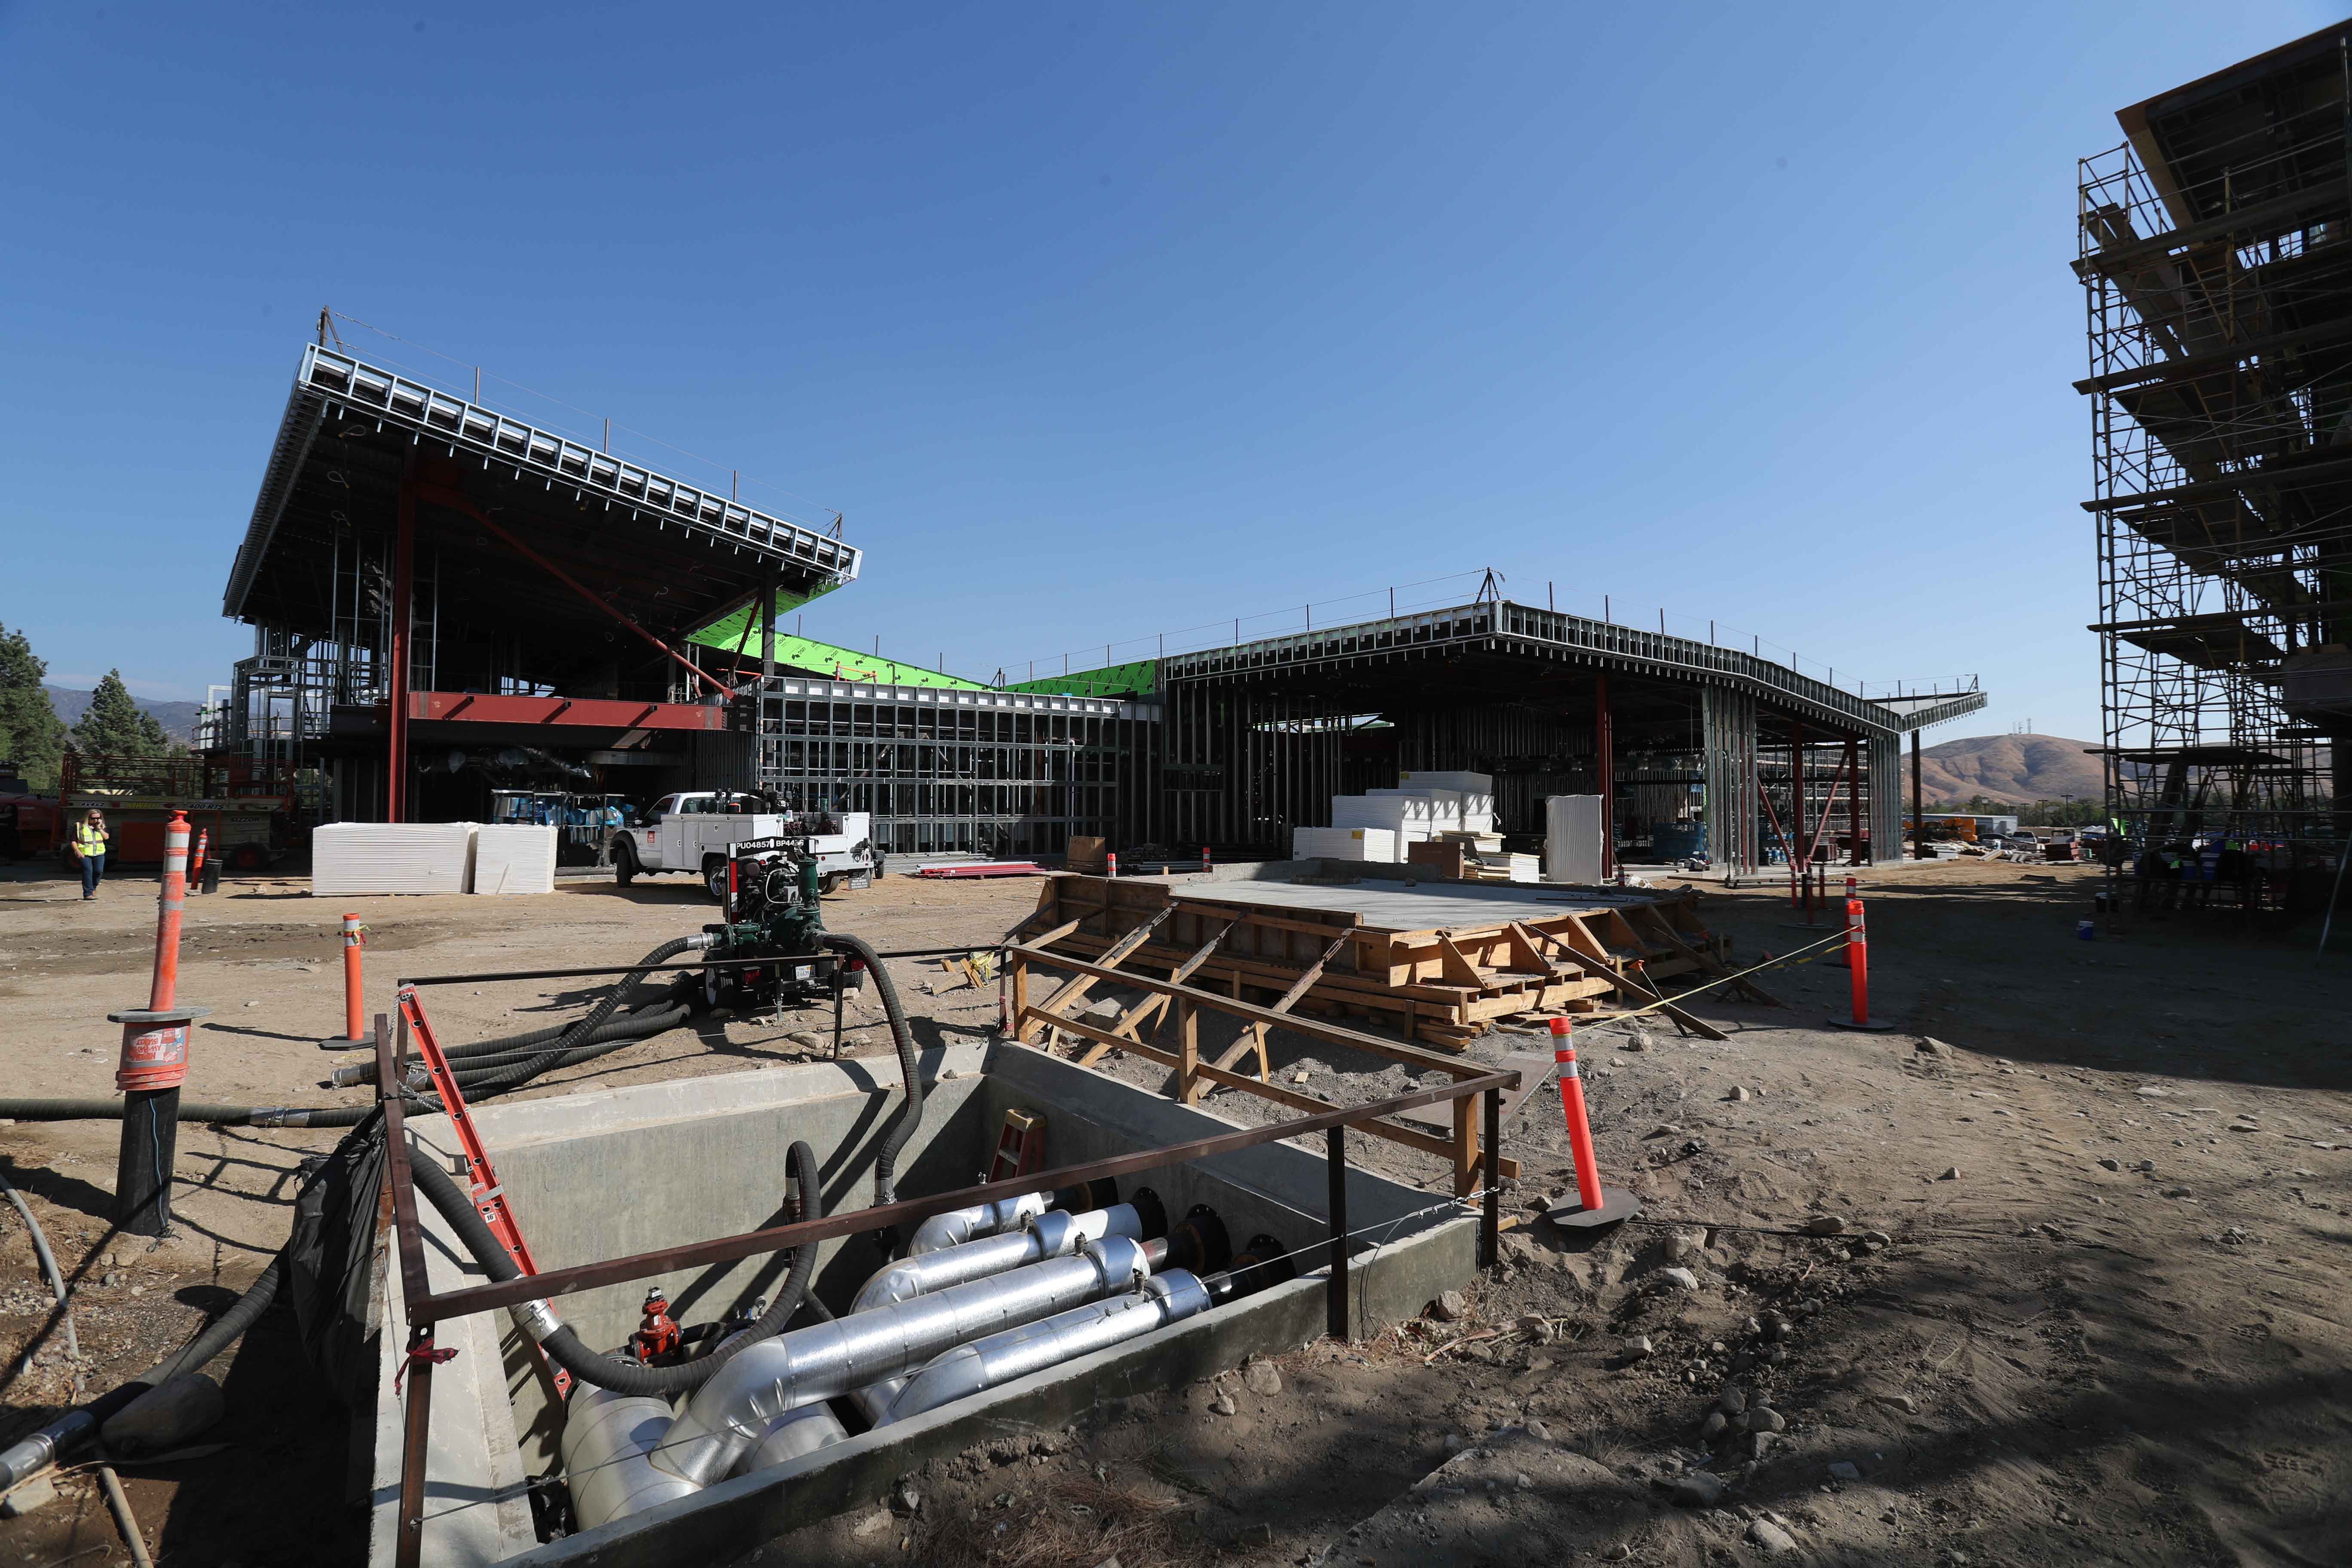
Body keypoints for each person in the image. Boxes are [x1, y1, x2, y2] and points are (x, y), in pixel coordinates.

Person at [71, 808, 109, 900]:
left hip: (99, 853)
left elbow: (106, 837)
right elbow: (73, 840)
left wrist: (99, 828)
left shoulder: (101, 827)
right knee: (88, 871)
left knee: (98, 871)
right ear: (88, 817)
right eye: (93, 818)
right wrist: (77, 851)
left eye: (98, 818)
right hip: (84, 854)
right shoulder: (79, 827)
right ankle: (88, 894)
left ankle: (94, 888)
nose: (95, 820)